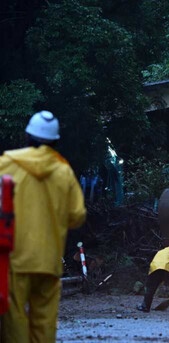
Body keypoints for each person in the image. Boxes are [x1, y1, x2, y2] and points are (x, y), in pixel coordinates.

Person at [0, 111, 87, 342]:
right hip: (49, 261)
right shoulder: (63, 171)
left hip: (14, 259)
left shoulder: (6, 164)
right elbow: (77, 215)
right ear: (56, 142)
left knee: (15, 316)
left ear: (27, 136)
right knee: (45, 320)